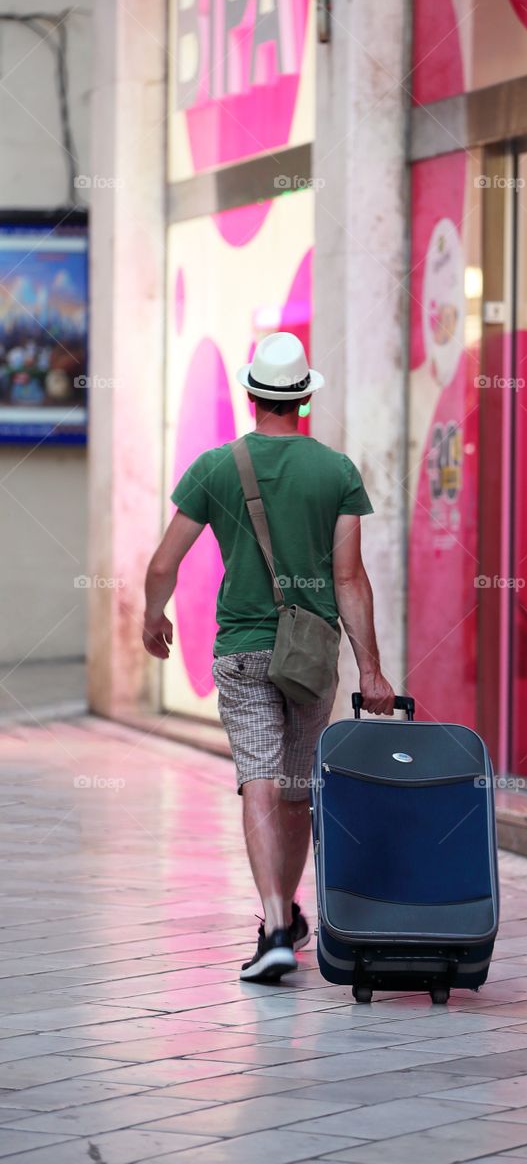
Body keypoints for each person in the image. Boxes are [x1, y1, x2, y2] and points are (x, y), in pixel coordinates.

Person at [142, 332, 396, 982]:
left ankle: (276, 925)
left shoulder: (214, 467)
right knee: (295, 789)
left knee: (257, 780)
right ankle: (283, 913)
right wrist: (370, 668)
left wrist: (153, 615)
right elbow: (348, 579)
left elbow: (164, 563)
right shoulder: (336, 471)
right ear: (303, 399)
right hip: (310, 656)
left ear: (251, 395)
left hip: (243, 651)